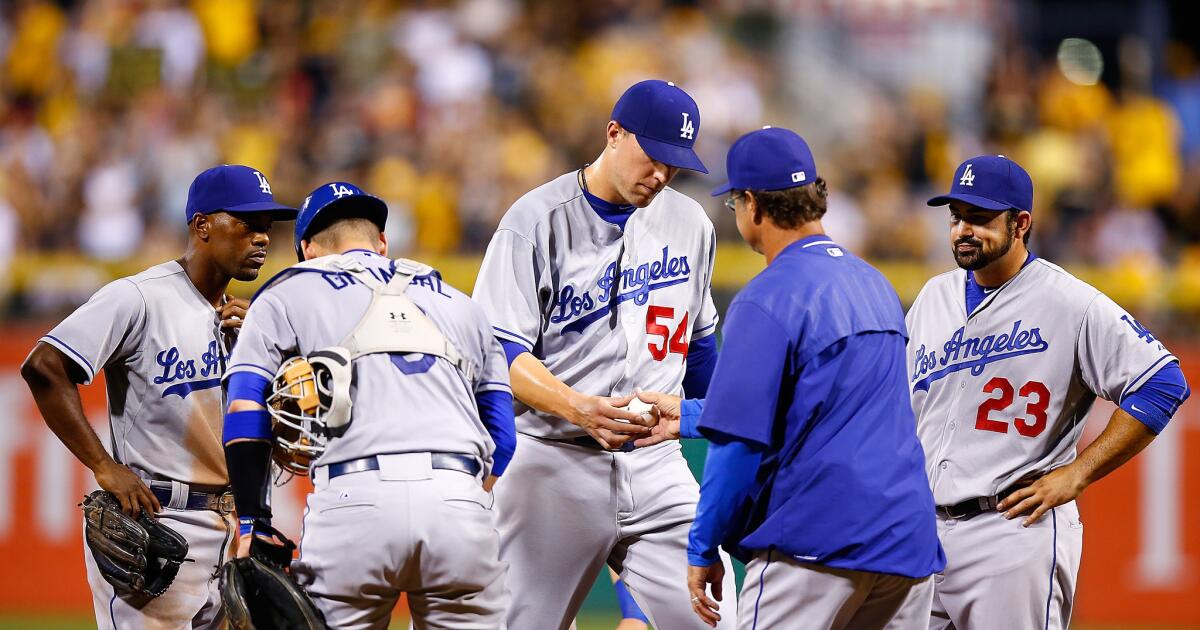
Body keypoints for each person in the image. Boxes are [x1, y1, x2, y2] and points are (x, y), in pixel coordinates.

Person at [637, 127, 945, 629]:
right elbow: (821, 402)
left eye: (735, 201)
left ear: (752, 204)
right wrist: (693, 415)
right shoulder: (877, 285)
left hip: (817, 542)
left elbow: (738, 445)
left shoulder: (766, 298)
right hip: (906, 543)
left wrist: (702, 542)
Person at [472, 79, 736, 629]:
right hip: (553, 460)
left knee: (718, 620)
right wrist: (575, 407)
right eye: (654, 157)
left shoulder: (689, 223)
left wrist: (723, 429)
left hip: (657, 464)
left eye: (676, 165)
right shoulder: (535, 219)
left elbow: (702, 345)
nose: (662, 175)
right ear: (613, 134)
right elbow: (501, 351)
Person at [909, 155, 1191, 629]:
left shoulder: (1069, 301)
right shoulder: (932, 297)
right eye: (956, 216)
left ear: (1021, 224)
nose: (963, 230)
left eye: (980, 218)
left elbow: (1162, 383)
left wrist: (1077, 473)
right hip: (925, 532)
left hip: (1010, 533)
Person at [222, 181, 515, 629]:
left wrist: (252, 522)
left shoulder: (289, 290)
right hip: (459, 503)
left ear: (307, 249)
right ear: (381, 243)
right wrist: (460, 494)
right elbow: (503, 436)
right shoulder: (461, 304)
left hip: (354, 501)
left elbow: (244, 408)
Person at [20, 165, 295, 629]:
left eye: (267, 228)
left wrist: (258, 350)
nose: (262, 238)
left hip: (231, 529)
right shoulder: (140, 297)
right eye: (247, 223)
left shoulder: (246, 321)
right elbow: (44, 365)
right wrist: (104, 466)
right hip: (158, 524)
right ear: (202, 226)